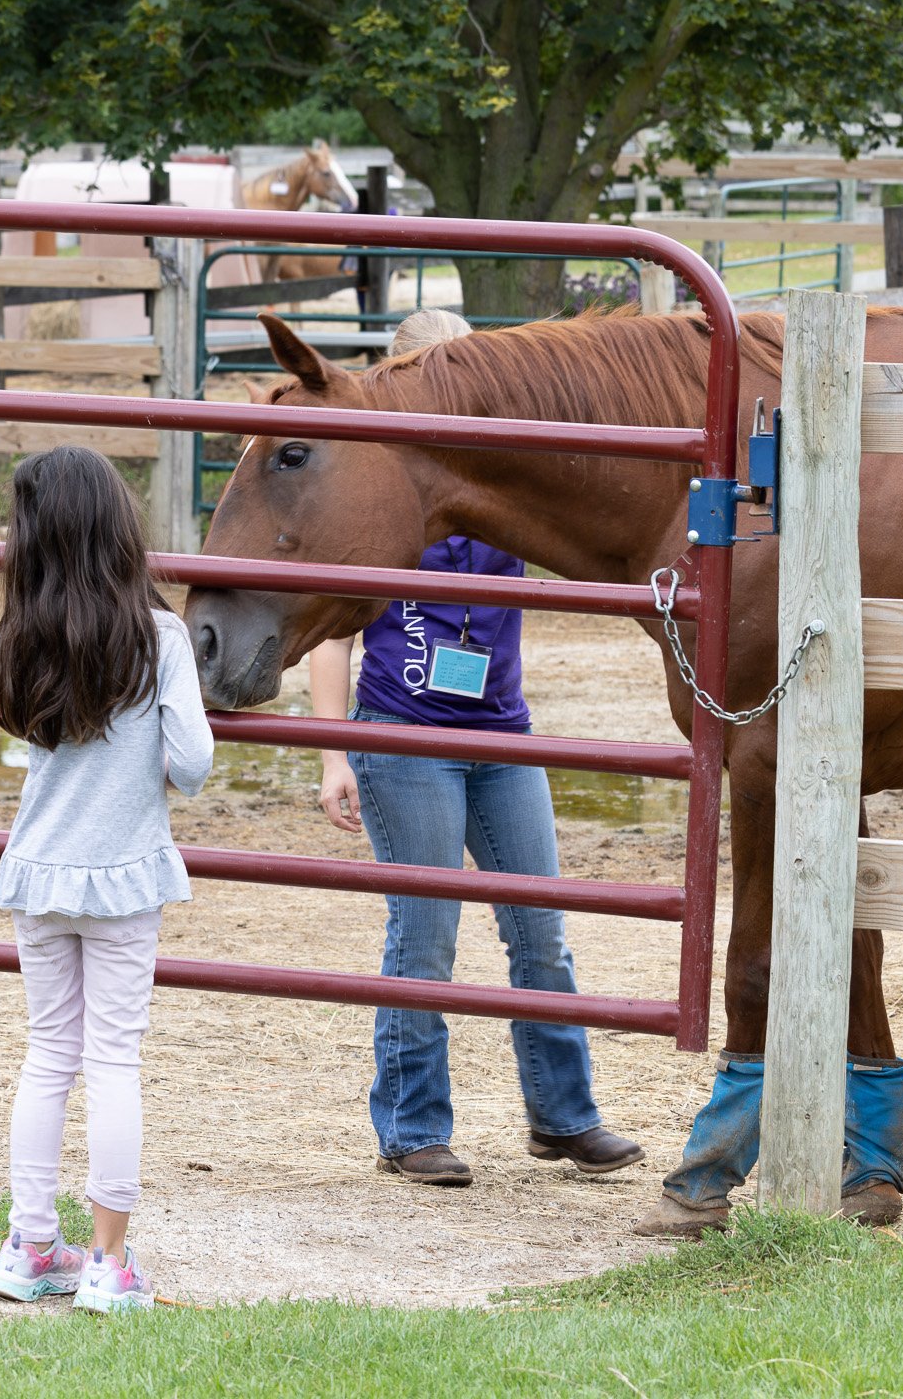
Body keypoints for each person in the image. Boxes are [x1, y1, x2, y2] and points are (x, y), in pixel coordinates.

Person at [310, 308, 643, 1187]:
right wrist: (333, 750)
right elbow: (334, 625)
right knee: (425, 935)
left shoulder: (506, 487)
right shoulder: (381, 498)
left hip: (502, 730)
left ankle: (564, 1118)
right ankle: (413, 1128)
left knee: (541, 931)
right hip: (405, 728)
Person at [0, 446, 213, 1313]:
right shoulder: (158, 639)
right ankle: (108, 1264)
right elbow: (191, 764)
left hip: (38, 873)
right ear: (118, 530)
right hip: (121, 880)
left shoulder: (20, 635)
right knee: (113, 1058)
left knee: (49, 1056)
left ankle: (29, 1243)